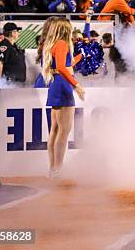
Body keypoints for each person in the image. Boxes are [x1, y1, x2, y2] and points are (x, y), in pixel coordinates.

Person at [41, 18, 86, 179]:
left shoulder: (54, 44)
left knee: (55, 130)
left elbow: (65, 64)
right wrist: (77, 85)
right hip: (63, 85)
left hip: (56, 84)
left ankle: (53, 169)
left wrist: (81, 56)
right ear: (65, 29)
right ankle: (57, 169)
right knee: (63, 131)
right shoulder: (62, 44)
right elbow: (61, 67)